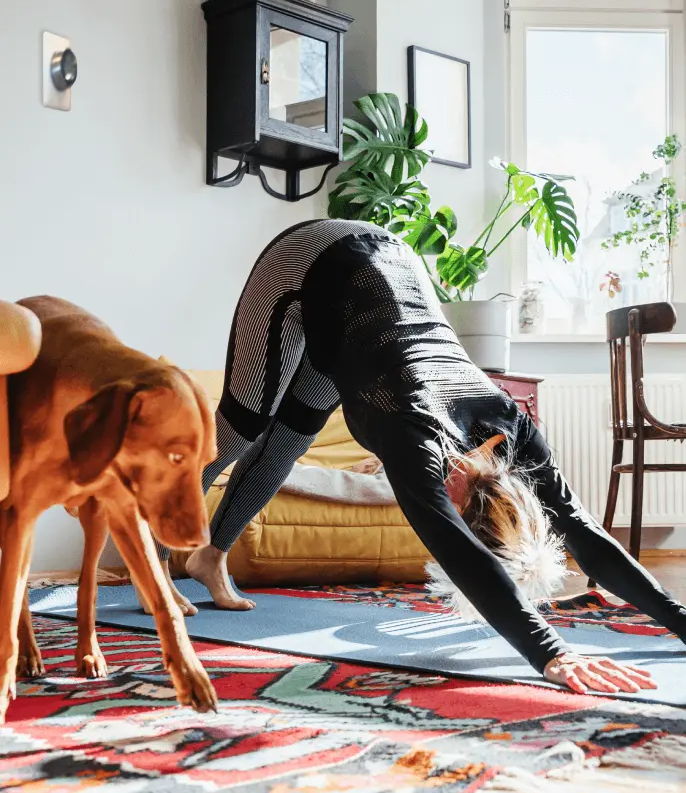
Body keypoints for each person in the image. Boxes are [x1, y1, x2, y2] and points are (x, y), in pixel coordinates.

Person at [155, 219, 686, 694]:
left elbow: (582, 532)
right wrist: (552, 652)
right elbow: (464, 557)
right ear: (461, 512)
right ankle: (153, 557)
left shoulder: (512, 426)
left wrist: (680, 618)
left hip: (363, 318)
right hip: (311, 262)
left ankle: (210, 557)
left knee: (288, 440)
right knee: (240, 428)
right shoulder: (417, 439)